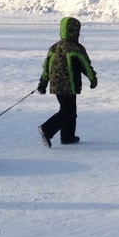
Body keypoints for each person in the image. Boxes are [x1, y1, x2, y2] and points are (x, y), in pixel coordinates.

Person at [36, 16, 97, 147]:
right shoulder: (76, 48)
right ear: (75, 32)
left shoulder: (53, 48)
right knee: (67, 111)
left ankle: (68, 136)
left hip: (56, 85)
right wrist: (92, 78)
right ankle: (47, 129)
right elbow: (85, 65)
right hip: (70, 85)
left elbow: (46, 67)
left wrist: (43, 84)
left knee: (70, 110)